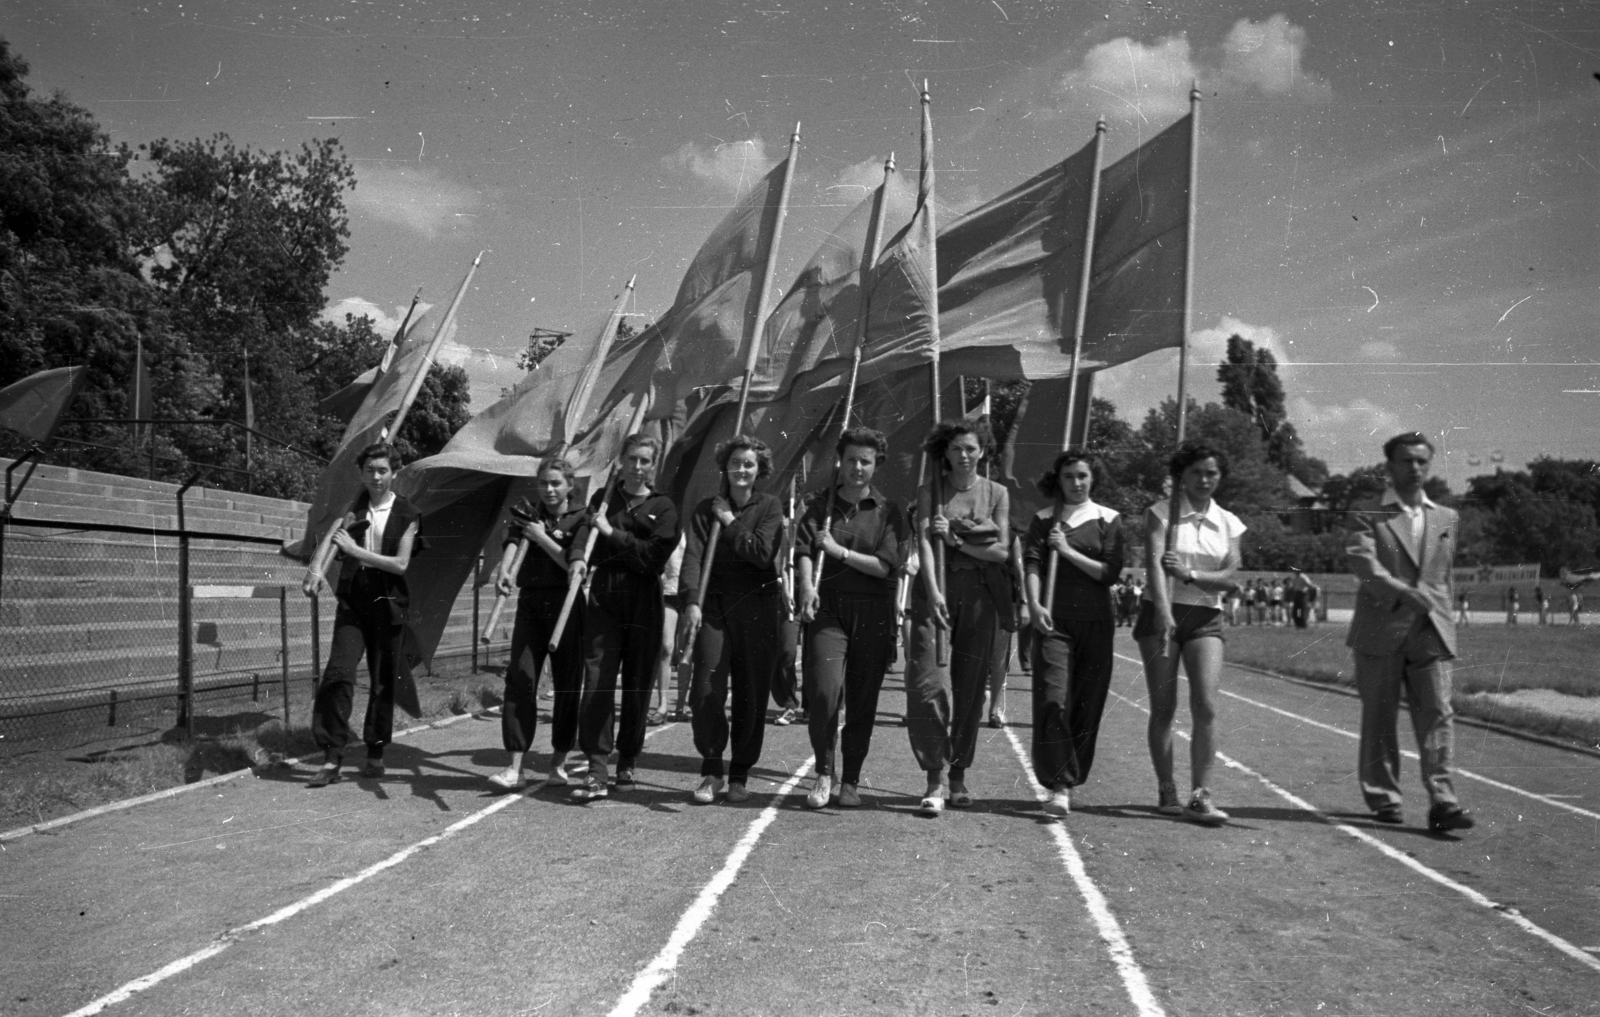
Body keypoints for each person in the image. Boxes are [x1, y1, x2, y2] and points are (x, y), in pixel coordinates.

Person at [1346, 432, 1473, 833]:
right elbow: (1364, 564)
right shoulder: (1367, 512)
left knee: (1438, 713)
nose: (1415, 468)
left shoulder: (1446, 517)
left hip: (1431, 629)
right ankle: (1384, 797)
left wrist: (1445, 620)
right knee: (1380, 717)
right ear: (1390, 466)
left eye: (1422, 461)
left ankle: (1443, 800)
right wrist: (1403, 593)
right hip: (1381, 627)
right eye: (1407, 461)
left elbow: (1443, 576)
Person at [795, 427, 909, 810]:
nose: (857, 467)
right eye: (851, 459)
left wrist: (838, 550)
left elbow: (883, 566)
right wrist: (808, 586)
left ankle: (852, 779)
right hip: (828, 607)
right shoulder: (817, 504)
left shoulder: (888, 511)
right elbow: (805, 550)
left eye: (866, 460)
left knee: (862, 700)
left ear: (876, 464)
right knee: (825, 692)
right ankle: (824, 772)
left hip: (873, 610)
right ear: (839, 461)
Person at [1134, 443, 1245, 826]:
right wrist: (1164, 612)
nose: (1204, 480)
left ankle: (1201, 794)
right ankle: (1167, 786)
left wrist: (1190, 574)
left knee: (1206, 705)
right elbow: (1152, 566)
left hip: (1205, 617)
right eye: (1196, 472)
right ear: (1182, 475)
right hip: (1160, 614)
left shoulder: (1229, 522)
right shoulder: (1161, 513)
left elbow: (1231, 578)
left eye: (1212, 473)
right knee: (1164, 708)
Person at [904, 420, 1011, 815]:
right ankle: (933, 776)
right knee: (928, 685)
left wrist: (957, 540)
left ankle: (958, 774)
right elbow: (925, 544)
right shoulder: (929, 491)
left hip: (980, 596)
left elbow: (1001, 551)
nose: (963, 456)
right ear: (944, 454)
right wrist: (933, 591)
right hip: (935, 593)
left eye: (970, 448)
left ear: (983, 451)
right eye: (955, 449)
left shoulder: (997, 493)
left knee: (969, 689)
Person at [567, 432, 681, 802]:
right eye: (631, 459)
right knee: (597, 679)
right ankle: (597, 769)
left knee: (636, 684)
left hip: (644, 596)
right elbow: (585, 529)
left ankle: (627, 760)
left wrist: (612, 534)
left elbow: (652, 557)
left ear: (653, 465)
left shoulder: (664, 507)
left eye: (644, 461)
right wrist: (579, 557)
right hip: (604, 594)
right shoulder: (604, 499)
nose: (637, 467)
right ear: (621, 460)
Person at [302, 442, 421, 787]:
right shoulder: (353, 506)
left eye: (383, 470)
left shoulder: (408, 514)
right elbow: (331, 538)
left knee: (383, 683)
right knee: (338, 673)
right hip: (354, 601)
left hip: (389, 603)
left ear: (394, 473)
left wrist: (356, 551)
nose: (376, 476)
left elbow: (400, 564)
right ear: (362, 473)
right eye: (370, 470)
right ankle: (331, 757)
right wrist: (314, 570)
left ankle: (375, 751)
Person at [679, 435, 785, 804]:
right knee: (705, 688)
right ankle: (711, 769)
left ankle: (739, 773)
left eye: (749, 464)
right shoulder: (705, 508)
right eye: (736, 463)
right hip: (714, 606)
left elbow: (760, 552)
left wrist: (728, 519)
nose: (742, 469)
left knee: (750, 692)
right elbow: (693, 557)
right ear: (726, 466)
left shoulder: (770, 506)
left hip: (757, 606)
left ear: (760, 471)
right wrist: (691, 601)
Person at [1023, 450, 1125, 816]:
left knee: (1086, 706)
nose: (1076, 483)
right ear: (1059, 479)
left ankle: (1072, 774)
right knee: (1053, 698)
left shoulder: (1108, 519)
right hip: (1054, 622)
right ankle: (1059, 784)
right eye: (1069, 476)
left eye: (1082, 476)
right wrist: (1034, 605)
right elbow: (1032, 562)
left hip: (1096, 622)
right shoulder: (1044, 519)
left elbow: (1109, 572)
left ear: (1092, 478)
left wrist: (1065, 550)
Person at [487, 457, 588, 791]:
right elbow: (514, 541)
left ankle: (558, 763)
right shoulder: (529, 513)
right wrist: (504, 570)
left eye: (556, 483)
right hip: (531, 602)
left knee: (567, 684)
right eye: (544, 483)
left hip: (567, 604)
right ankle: (514, 766)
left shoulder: (582, 519)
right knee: (521, 678)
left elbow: (571, 561)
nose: (549, 489)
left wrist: (542, 537)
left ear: (570, 485)